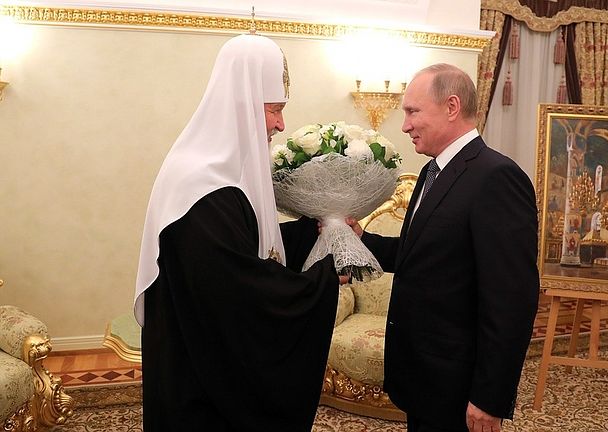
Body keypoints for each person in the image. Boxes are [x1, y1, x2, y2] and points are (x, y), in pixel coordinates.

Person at [133, 33, 344, 431]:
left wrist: (313, 233)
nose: (281, 124)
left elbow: (245, 245)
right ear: (243, 105)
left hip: (198, 364)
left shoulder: (210, 174)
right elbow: (239, 291)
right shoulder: (203, 186)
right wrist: (325, 277)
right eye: (274, 109)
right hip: (199, 391)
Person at [348, 63, 539, 431]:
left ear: (452, 107)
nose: (405, 125)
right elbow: (421, 254)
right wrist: (361, 240)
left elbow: (512, 300)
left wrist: (490, 397)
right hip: (424, 379)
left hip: (459, 387)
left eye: (412, 112)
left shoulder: (497, 177)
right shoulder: (432, 171)